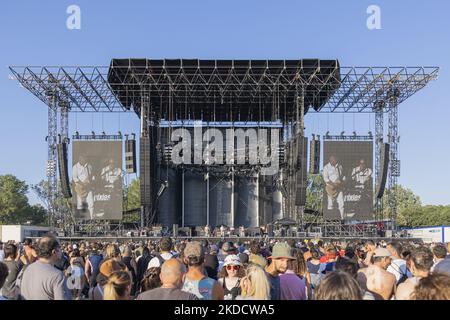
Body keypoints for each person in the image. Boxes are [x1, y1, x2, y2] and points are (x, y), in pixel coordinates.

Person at [20, 234, 71, 300]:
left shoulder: (27, 269)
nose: (61, 250)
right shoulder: (57, 276)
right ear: (54, 251)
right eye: (60, 247)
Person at [323, 155, 346, 220]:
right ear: (331, 160)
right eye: (333, 160)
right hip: (331, 188)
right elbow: (326, 179)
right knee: (330, 205)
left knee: (341, 204)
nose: (335, 161)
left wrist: (343, 181)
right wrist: (334, 184)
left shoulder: (340, 166)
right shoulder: (326, 167)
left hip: (339, 188)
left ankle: (342, 219)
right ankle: (330, 220)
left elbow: (342, 176)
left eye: (335, 160)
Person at [72, 155, 95, 219]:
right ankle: (80, 220)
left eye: (85, 158)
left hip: (88, 187)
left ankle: (92, 219)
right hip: (80, 188)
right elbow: (75, 178)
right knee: (80, 204)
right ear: (80, 159)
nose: (85, 160)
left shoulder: (89, 166)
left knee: (91, 203)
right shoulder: (75, 167)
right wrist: (83, 184)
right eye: (83, 159)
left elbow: (92, 176)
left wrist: (92, 180)